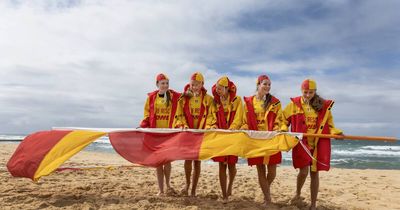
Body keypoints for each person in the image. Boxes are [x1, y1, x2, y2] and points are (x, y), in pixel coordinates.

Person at [281, 79, 343, 210]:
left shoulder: (322, 106)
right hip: (302, 143)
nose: (308, 95)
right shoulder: (294, 105)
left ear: (315, 91)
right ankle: (297, 194)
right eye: (305, 92)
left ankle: (313, 204)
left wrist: (335, 132)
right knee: (303, 172)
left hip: (317, 143)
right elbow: (283, 119)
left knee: (314, 173)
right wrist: (283, 128)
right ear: (301, 91)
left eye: (310, 92)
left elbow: (330, 124)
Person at [240, 75, 282, 206]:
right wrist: (245, 128)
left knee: (273, 172)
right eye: (265, 84)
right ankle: (267, 199)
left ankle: (265, 190)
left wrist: (278, 128)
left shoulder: (275, 102)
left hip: (271, 139)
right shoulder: (248, 101)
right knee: (260, 170)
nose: (268, 87)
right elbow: (244, 120)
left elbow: (279, 120)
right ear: (258, 84)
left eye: (269, 84)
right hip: (255, 140)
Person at [173, 72, 214, 197]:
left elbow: (211, 116)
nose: (195, 87)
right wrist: (182, 125)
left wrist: (208, 126)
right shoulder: (184, 98)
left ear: (202, 84)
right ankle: (187, 184)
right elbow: (179, 114)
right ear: (189, 84)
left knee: (197, 162)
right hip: (188, 133)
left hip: (201, 134)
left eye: (197, 84)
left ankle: (193, 190)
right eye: (192, 84)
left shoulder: (208, 99)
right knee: (187, 160)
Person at [140, 73, 181, 196]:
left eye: (167, 83)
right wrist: (143, 125)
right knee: (158, 163)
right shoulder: (151, 98)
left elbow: (181, 106)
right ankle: (161, 190)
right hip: (156, 134)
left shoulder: (174, 96)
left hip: (169, 134)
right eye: (162, 83)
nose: (165, 85)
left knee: (167, 161)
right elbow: (147, 114)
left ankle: (168, 185)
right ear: (157, 84)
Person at [209, 76, 243, 203]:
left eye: (220, 88)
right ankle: (224, 195)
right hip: (220, 136)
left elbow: (239, 116)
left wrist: (233, 128)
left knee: (232, 165)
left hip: (233, 135)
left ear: (227, 88)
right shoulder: (215, 101)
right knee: (221, 165)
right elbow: (211, 115)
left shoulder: (237, 100)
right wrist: (213, 125)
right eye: (216, 88)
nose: (217, 90)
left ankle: (229, 187)